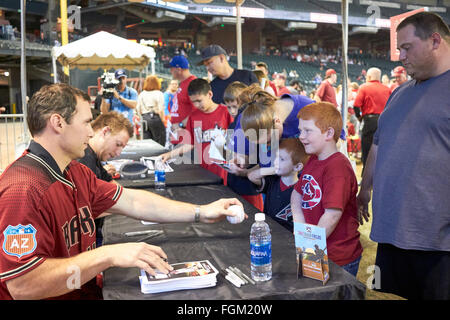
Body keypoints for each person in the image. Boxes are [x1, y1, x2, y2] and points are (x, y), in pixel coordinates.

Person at [0, 83, 245, 300]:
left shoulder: (75, 172)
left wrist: (201, 212)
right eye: (86, 122)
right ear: (58, 122)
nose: (90, 131)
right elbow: (22, 285)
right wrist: (108, 255)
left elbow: (132, 201)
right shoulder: (22, 188)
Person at [357, 12, 450, 299]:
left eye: (407, 47)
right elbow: (379, 144)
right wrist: (365, 187)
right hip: (394, 231)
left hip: (438, 241)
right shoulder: (399, 93)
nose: (400, 56)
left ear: (435, 40)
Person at [291, 102, 363, 277]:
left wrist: (310, 248)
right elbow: (297, 194)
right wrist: (300, 226)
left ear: (329, 133)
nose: (301, 136)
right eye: (300, 131)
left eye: (307, 131)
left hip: (338, 257)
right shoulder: (313, 159)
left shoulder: (338, 167)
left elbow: (331, 216)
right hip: (313, 248)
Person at [77, 111, 134, 247]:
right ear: (105, 131)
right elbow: (84, 211)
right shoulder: (84, 161)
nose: (118, 153)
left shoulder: (93, 158)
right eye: (118, 144)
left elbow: (116, 189)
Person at [160, 79, 232, 182]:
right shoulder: (193, 117)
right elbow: (190, 143)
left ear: (209, 94)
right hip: (203, 170)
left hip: (224, 171)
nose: (197, 105)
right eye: (193, 102)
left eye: (199, 101)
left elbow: (234, 142)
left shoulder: (225, 112)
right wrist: (169, 154)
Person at [248, 138, 309, 232]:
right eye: (276, 157)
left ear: (297, 166)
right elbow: (252, 176)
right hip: (266, 232)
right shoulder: (273, 181)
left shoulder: (302, 190)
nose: (276, 161)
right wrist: (274, 169)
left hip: (286, 237)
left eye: (282, 159)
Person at [352, 67, 391, 171]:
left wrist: (359, 118)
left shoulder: (364, 87)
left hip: (369, 121)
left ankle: (366, 175)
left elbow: (356, 105)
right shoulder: (387, 89)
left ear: (368, 76)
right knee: (383, 149)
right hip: (384, 122)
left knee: (367, 149)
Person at [164, 55, 197, 144]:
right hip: (178, 137)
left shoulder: (192, 83)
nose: (170, 71)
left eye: (171, 68)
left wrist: (180, 124)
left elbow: (197, 111)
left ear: (178, 69)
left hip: (186, 140)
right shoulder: (183, 83)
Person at [136, 75, 166, 146]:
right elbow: (161, 109)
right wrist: (163, 120)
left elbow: (138, 109)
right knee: (159, 141)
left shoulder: (142, 94)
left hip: (144, 119)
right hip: (155, 118)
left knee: (147, 143)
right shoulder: (158, 93)